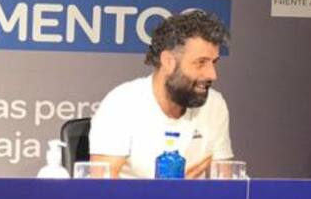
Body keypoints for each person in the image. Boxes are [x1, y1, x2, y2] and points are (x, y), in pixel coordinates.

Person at [90, 10, 233, 179]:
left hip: (194, 198)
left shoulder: (214, 105)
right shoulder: (122, 104)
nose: (212, 75)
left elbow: (226, 185)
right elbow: (101, 188)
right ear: (168, 61)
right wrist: (167, 191)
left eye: (213, 62)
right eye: (201, 63)